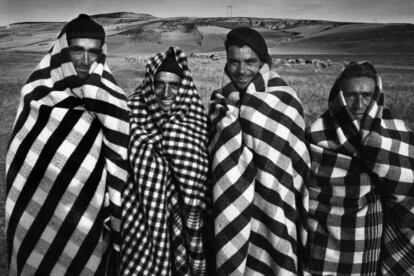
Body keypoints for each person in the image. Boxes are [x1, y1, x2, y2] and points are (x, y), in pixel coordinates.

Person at [5, 14, 129, 275]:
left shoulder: (112, 101)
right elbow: (23, 164)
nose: (85, 61)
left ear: (102, 54)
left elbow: (119, 165)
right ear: (63, 51)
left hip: (89, 221)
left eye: (93, 52)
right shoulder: (36, 96)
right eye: (77, 51)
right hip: (36, 217)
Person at [208, 26, 310, 275]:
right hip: (229, 205)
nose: (241, 70)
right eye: (234, 62)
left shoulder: (284, 100)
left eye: (250, 61)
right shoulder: (219, 101)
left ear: (264, 62)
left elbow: (295, 161)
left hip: (274, 203)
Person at [305, 61, 414, 275]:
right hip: (325, 234)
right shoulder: (318, 134)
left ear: (376, 96)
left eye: (366, 95)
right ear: (340, 96)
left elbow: (406, 188)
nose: (358, 104)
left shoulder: (395, 133)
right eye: (351, 95)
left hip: (370, 233)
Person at [122, 47, 210, 276]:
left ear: (183, 87)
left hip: (188, 221)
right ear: (150, 83)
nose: (166, 92)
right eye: (159, 83)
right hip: (140, 222)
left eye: (174, 85)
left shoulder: (196, 119)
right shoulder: (131, 114)